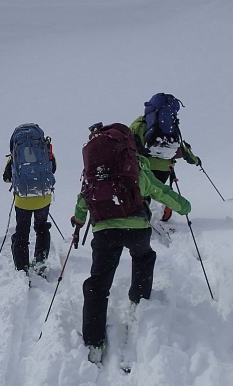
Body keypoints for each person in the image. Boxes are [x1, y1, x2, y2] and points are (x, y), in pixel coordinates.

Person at [70, 122, 191, 363]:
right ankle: (138, 301)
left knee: (98, 283)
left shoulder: (94, 172)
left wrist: (79, 220)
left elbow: (83, 199)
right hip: (137, 228)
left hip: (104, 230)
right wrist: (184, 206)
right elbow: (160, 192)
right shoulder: (136, 168)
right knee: (144, 257)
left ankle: (94, 344)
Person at [129, 93, 200, 222]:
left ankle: (143, 220)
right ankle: (164, 211)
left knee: (144, 193)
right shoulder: (172, 126)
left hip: (145, 166)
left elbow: (129, 143)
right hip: (165, 168)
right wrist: (194, 160)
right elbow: (181, 147)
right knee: (159, 190)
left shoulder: (140, 123)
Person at [3, 123, 57, 274]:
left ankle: (22, 266)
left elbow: (6, 178)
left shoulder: (15, 155)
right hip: (43, 198)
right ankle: (40, 260)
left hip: (23, 200)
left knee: (22, 232)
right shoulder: (45, 150)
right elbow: (53, 169)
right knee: (41, 228)